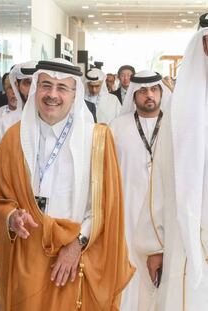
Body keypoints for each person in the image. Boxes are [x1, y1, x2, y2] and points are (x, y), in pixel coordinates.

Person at [0, 58, 134, 311]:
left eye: (62, 88)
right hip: (27, 255)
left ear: (75, 93)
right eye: (46, 86)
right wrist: (12, 216)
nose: (52, 95)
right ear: (36, 88)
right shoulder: (14, 138)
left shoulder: (97, 140)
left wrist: (76, 245)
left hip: (75, 256)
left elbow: (105, 207)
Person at [134, 13, 208, 310]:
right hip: (185, 245)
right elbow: (160, 183)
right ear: (202, 47)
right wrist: (154, 246)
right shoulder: (179, 114)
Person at [110, 71, 167, 311]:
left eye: (154, 89)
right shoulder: (116, 127)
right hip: (126, 216)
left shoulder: (175, 126)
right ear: (133, 96)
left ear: (162, 93)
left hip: (164, 219)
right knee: (130, 279)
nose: (149, 95)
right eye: (142, 91)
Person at [0, 73, 19, 140]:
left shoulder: (34, 117)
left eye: (18, 88)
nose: (15, 92)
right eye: (11, 88)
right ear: (5, 91)